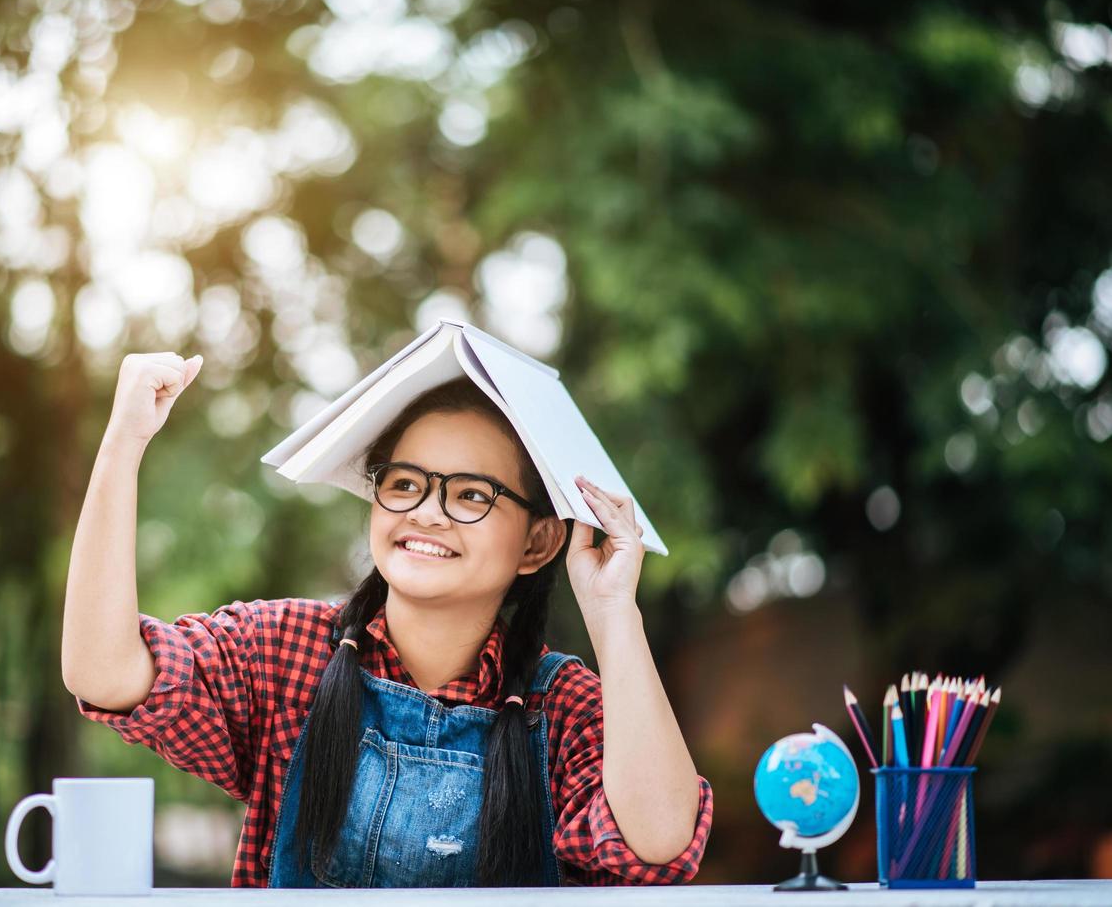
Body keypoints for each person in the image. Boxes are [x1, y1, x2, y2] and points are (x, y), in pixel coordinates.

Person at [62, 351, 713, 887]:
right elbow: (104, 674)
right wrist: (124, 442)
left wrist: (609, 610)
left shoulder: (561, 706)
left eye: (469, 495)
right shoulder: (282, 651)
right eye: (403, 484)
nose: (425, 512)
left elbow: (655, 847)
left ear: (537, 543)